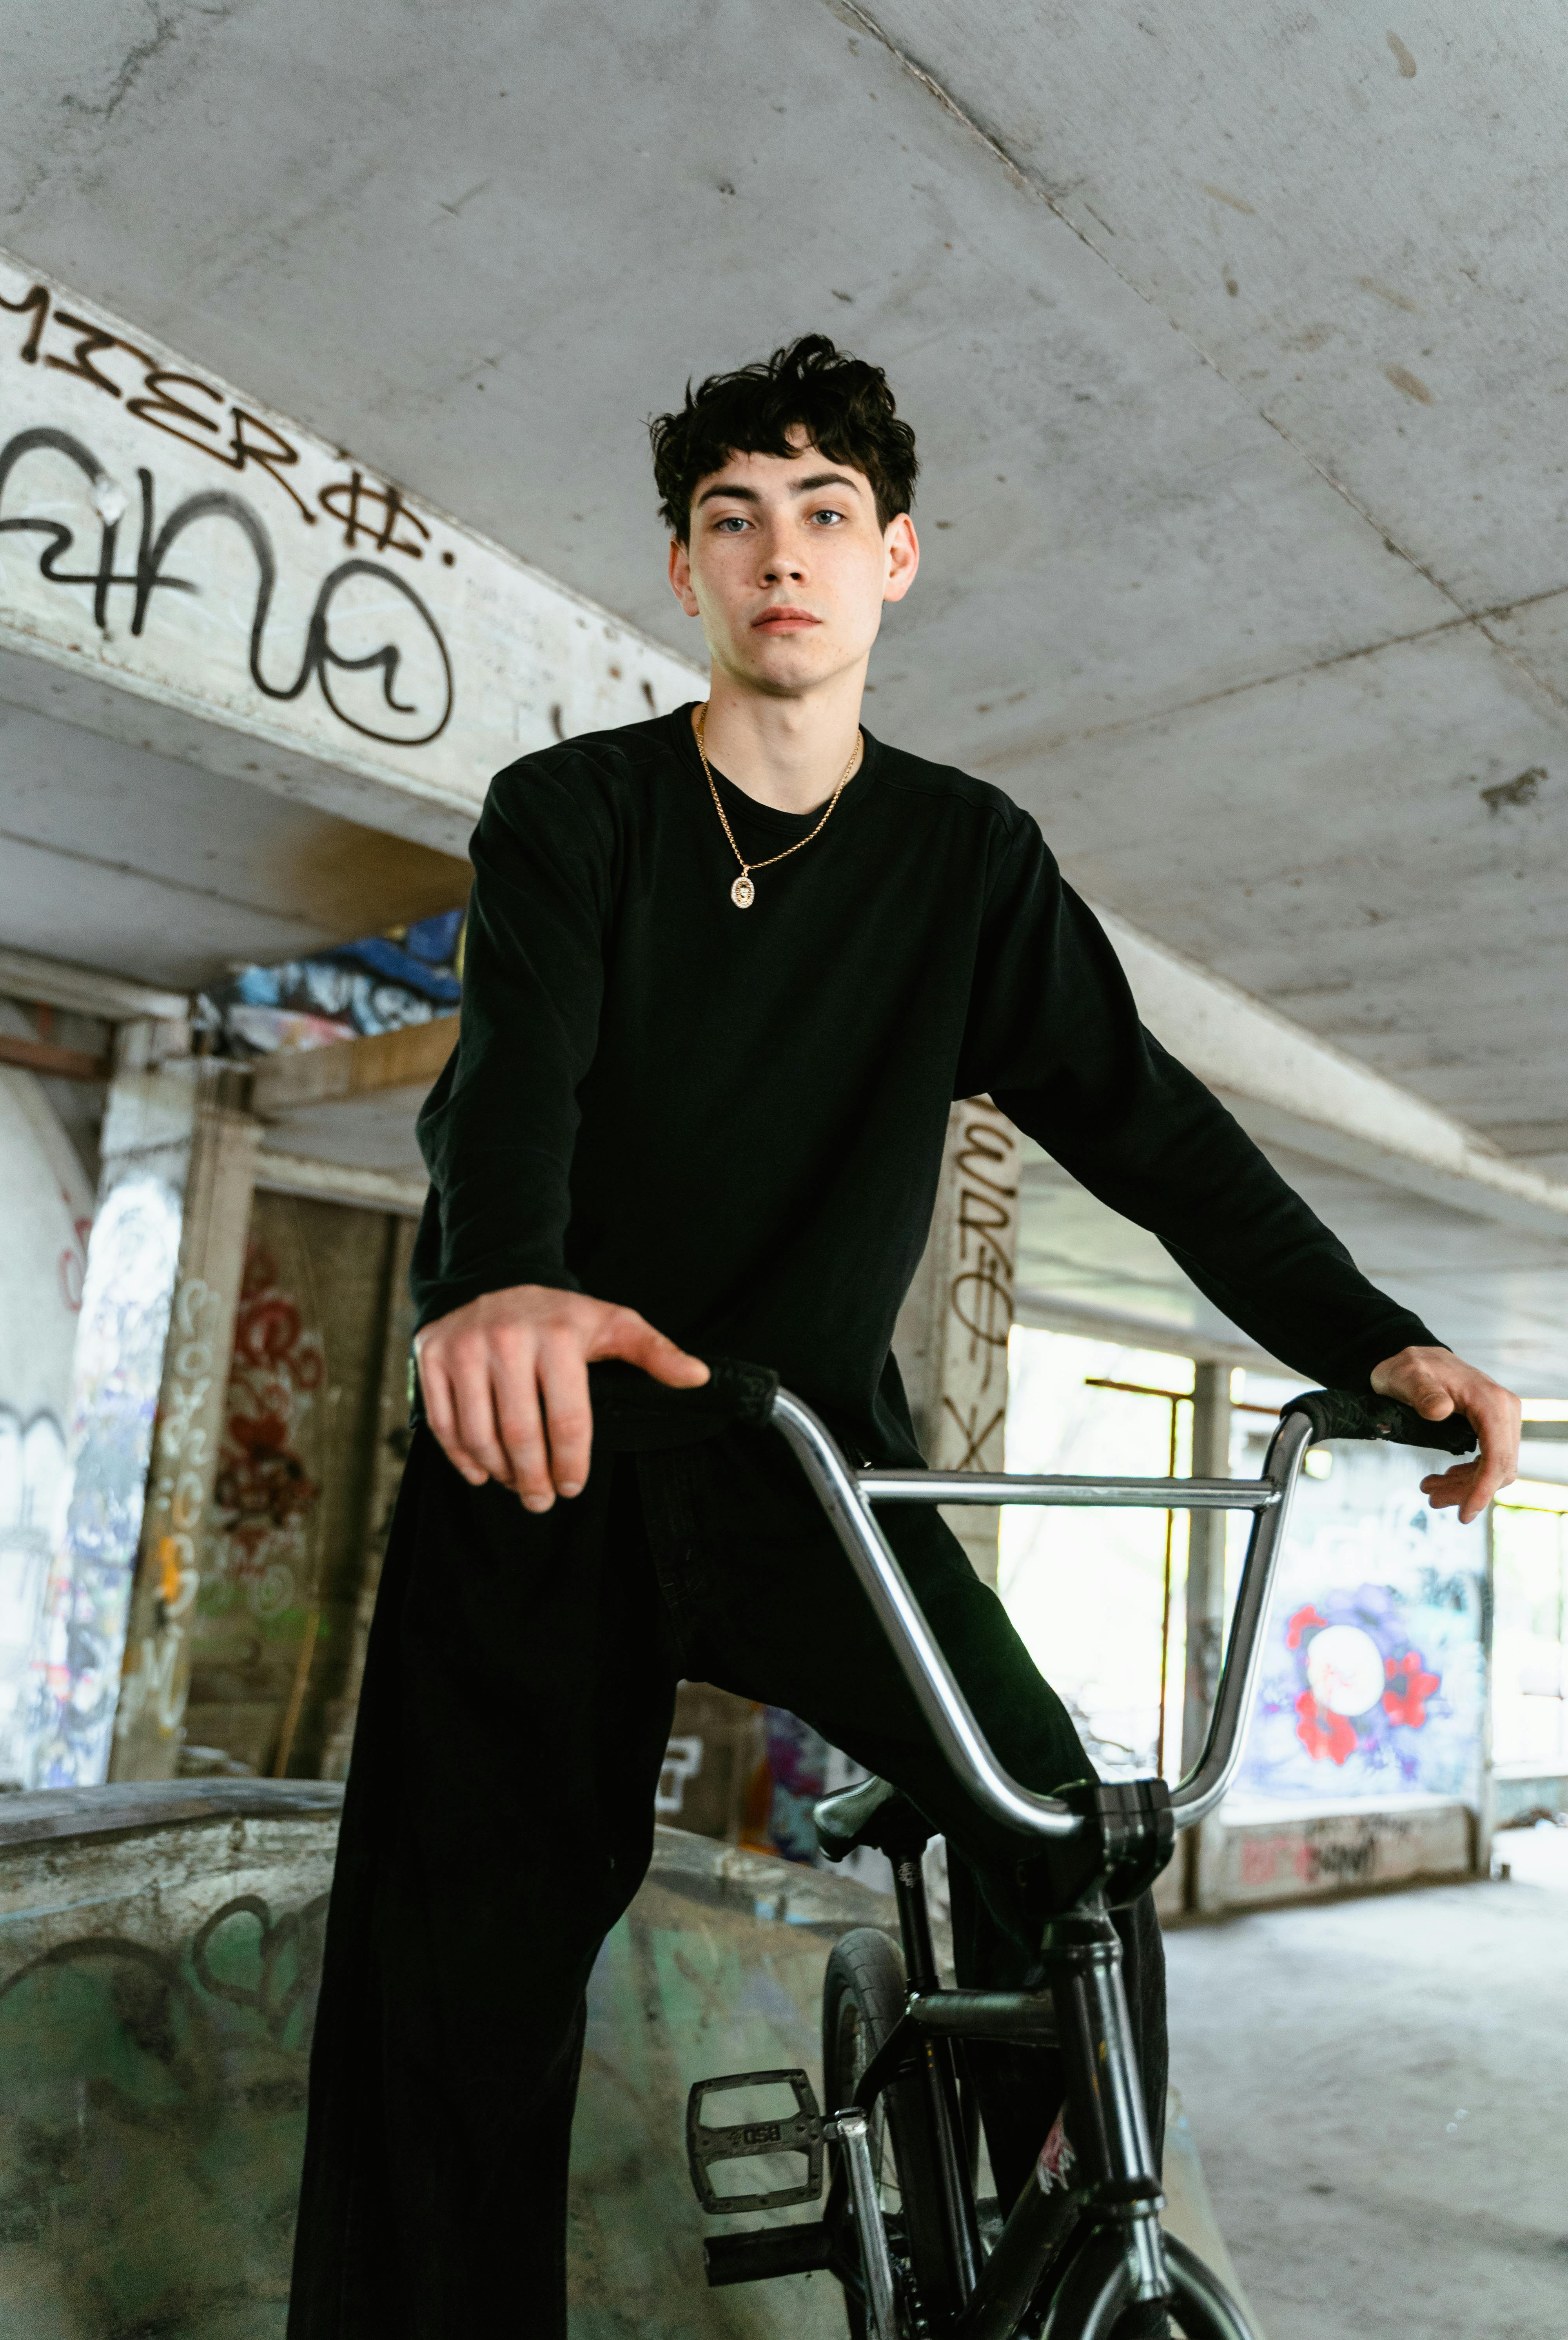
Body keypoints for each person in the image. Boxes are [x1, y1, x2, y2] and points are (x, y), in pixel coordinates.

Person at [287, 335, 1520, 2337]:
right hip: (553, 1454)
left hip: (814, 1477)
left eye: (825, 514)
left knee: (1070, 1847)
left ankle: (1020, 2252)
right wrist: (494, 1280)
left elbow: (1155, 1128)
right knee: (455, 1988)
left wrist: (1374, 1343)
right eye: (733, 518)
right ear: (684, 570)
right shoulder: (573, 816)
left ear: (895, 563)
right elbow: (509, 1077)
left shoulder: (966, 866)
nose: (782, 552)